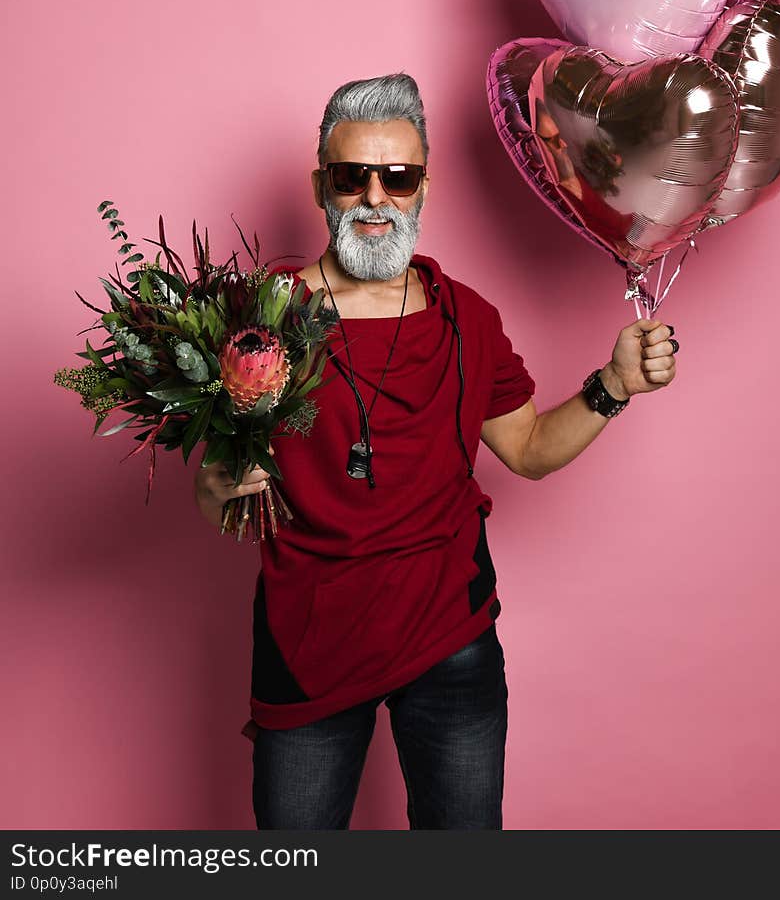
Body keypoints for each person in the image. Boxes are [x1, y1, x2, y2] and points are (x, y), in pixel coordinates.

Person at [193, 72, 678, 830]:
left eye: (398, 177)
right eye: (353, 177)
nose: (376, 199)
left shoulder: (468, 319)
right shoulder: (261, 313)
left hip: (451, 643)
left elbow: (526, 447)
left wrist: (612, 385)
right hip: (307, 643)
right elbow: (211, 486)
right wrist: (223, 480)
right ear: (322, 184)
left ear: (425, 186)